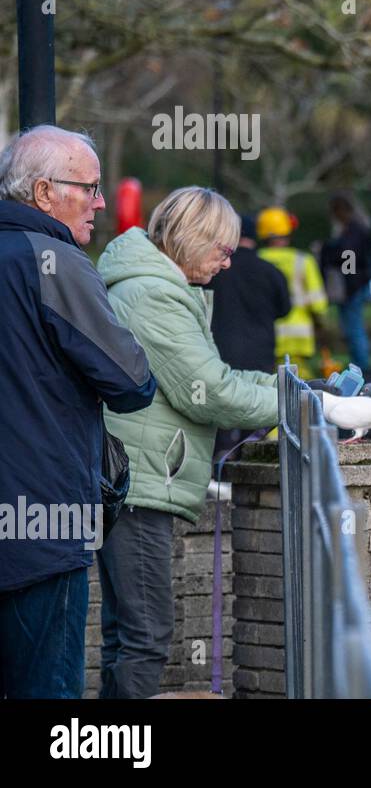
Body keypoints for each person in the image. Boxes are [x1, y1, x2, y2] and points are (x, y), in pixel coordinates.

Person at [96, 186, 279, 698]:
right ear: (191, 237)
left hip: (134, 481)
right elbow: (210, 394)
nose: (227, 263)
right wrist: (300, 406)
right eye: (222, 250)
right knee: (146, 637)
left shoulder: (154, 284)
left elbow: (209, 377)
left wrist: (285, 388)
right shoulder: (153, 294)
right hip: (139, 487)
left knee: (126, 636)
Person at [0, 125, 156, 699]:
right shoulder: (54, 261)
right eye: (88, 188)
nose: (99, 202)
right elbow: (132, 381)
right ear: (43, 193)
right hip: (42, 525)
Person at [207, 213, 291, 374]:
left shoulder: (215, 270)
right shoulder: (271, 271)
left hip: (220, 350)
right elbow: (284, 309)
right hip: (261, 352)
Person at [257, 206, 328, 375]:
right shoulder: (304, 261)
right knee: (300, 387)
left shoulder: (255, 260)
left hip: (264, 334)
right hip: (298, 336)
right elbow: (318, 304)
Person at [319, 192, 371, 374]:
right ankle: (360, 365)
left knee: (354, 329)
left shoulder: (352, 231)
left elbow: (348, 259)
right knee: (353, 328)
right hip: (356, 284)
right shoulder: (358, 229)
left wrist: (327, 251)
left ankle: (362, 367)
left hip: (353, 287)